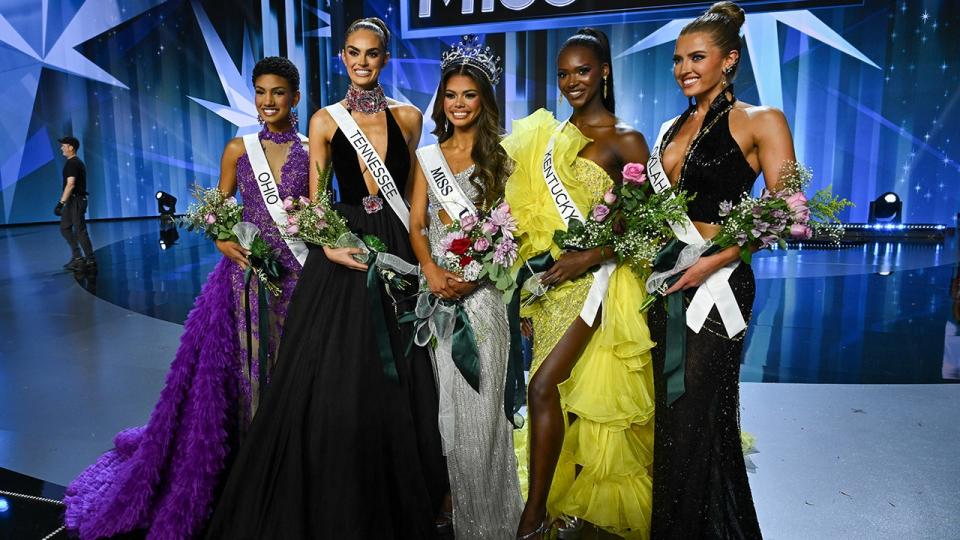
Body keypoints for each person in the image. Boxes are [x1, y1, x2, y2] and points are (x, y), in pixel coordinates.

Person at [203, 18, 448, 539]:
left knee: (406, 367)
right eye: (354, 54)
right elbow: (316, 199)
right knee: (340, 366)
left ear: (385, 58)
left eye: (373, 54)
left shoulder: (409, 117)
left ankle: (416, 480)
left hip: (397, 244)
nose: (363, 62)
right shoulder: (324, 120)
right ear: (342, 57)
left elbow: (411, 195)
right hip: (343, 242)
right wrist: (331, 244)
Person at [63, 56, 310, 540]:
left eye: (278, 92)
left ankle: (292, 455)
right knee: (244, 368)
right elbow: (219, 208)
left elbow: (320, 209)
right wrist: (221, 238)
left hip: (298, 275)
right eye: (260, 91)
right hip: (244, 275)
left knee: (295, 367)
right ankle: (251, 459)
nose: (267, 102)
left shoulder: (310, 149)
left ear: (295, 98)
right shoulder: (239, 149)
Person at [647, 2, 796, 538]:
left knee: (696, 414)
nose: (685, 67)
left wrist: (714, 259)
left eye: (697, 57)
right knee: (672, 418)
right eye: (678, 59)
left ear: (730, 59)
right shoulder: (670, 127)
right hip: (666, 281)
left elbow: (788, 206)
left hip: (718, 285)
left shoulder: (762, 121)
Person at [503, 28, 655, 540]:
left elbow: (646, 227)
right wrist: (528, 292)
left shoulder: (626, 139)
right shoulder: (546, 140)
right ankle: (567, 503)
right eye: (564, 73)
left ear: (605, 71)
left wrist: (587, 256)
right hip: (550, 290)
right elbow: (532, 222)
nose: (572, 81)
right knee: (565, 396)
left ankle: (535, 510)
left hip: (599, 285)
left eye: (583, 70)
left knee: (542, 386)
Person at [408, 36, 523, 539]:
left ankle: (494, 520)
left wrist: (476, 276)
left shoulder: (503, 157)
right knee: (448, 411)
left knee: (484, 411)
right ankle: (460, 506)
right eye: (450, 95)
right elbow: (416, 225)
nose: (458, 104)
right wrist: (432, 273)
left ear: (485, 101)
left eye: (469, 95)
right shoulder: (427, 156)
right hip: (437, 298)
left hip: (483, 299)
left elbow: (515, 229)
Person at [55, 136, 95, 271]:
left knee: (80, 231)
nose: (61, 148)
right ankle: (78, 257)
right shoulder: (72, 162)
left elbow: (70, 184)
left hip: (77, 200)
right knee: (65, 228)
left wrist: (61, 203)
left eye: (63, 145)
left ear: (71, 147)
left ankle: (90, 260)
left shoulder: (73, 163)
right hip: (72, 201)